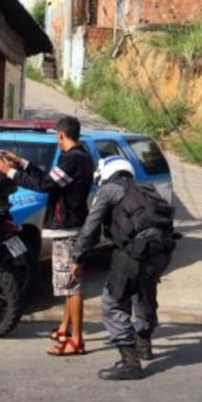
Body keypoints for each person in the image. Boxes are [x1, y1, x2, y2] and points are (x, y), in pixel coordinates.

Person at [0, 116, 94, 356]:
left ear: (60, 135)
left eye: (57, 137)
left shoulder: (72, 159)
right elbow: (49, 179)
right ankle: (65, 329)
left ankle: (76, 341)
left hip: (68, 227)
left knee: (71, 286)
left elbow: (46, 185)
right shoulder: (81, 156)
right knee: (68, 284)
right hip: (73, 225)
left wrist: (9, 172)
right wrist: (22, 163)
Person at [71, 156, 176, 381]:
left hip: (135, 252)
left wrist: (78, 256)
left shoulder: (109, 190)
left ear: (106, 173)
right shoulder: (146, 187)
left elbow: (91, 226)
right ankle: (144, 343)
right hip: (162, 251)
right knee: (144, 292)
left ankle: (130, 362)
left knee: (112, 302)